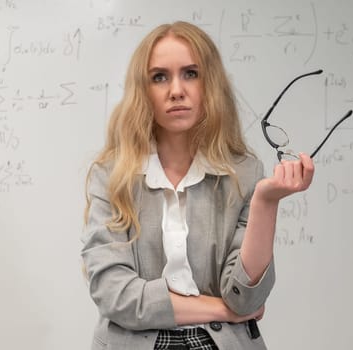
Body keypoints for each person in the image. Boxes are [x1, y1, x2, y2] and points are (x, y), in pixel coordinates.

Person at [81, 21, 314, 350]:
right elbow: (114, 294)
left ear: (211, 84)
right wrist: (220, 309)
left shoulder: (246, 173)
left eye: (191, 73)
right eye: (159, 77)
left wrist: (265, 202)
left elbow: (246, 300)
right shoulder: (110, 176)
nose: (176, 89)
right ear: (142, 89)